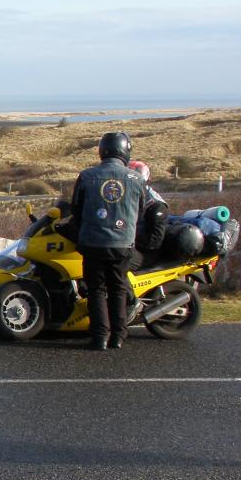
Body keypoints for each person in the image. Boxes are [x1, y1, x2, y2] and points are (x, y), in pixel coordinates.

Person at [68, 132, 143, 350]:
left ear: (102, 150)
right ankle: (119, 336)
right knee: (118, 288)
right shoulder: (135, 179)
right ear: (125, 150)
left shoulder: (87, 176)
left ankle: (100, 336)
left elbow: (76, 209)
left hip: (92, 242)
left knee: (96, 289)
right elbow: (140, 209)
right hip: (122, 243)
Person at [129, 160, 169, 269]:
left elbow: (154, 241)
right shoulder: (126, 196)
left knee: (115, 261)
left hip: (145, 254)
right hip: (126, 245)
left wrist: (130, 236)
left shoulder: (155, 204)